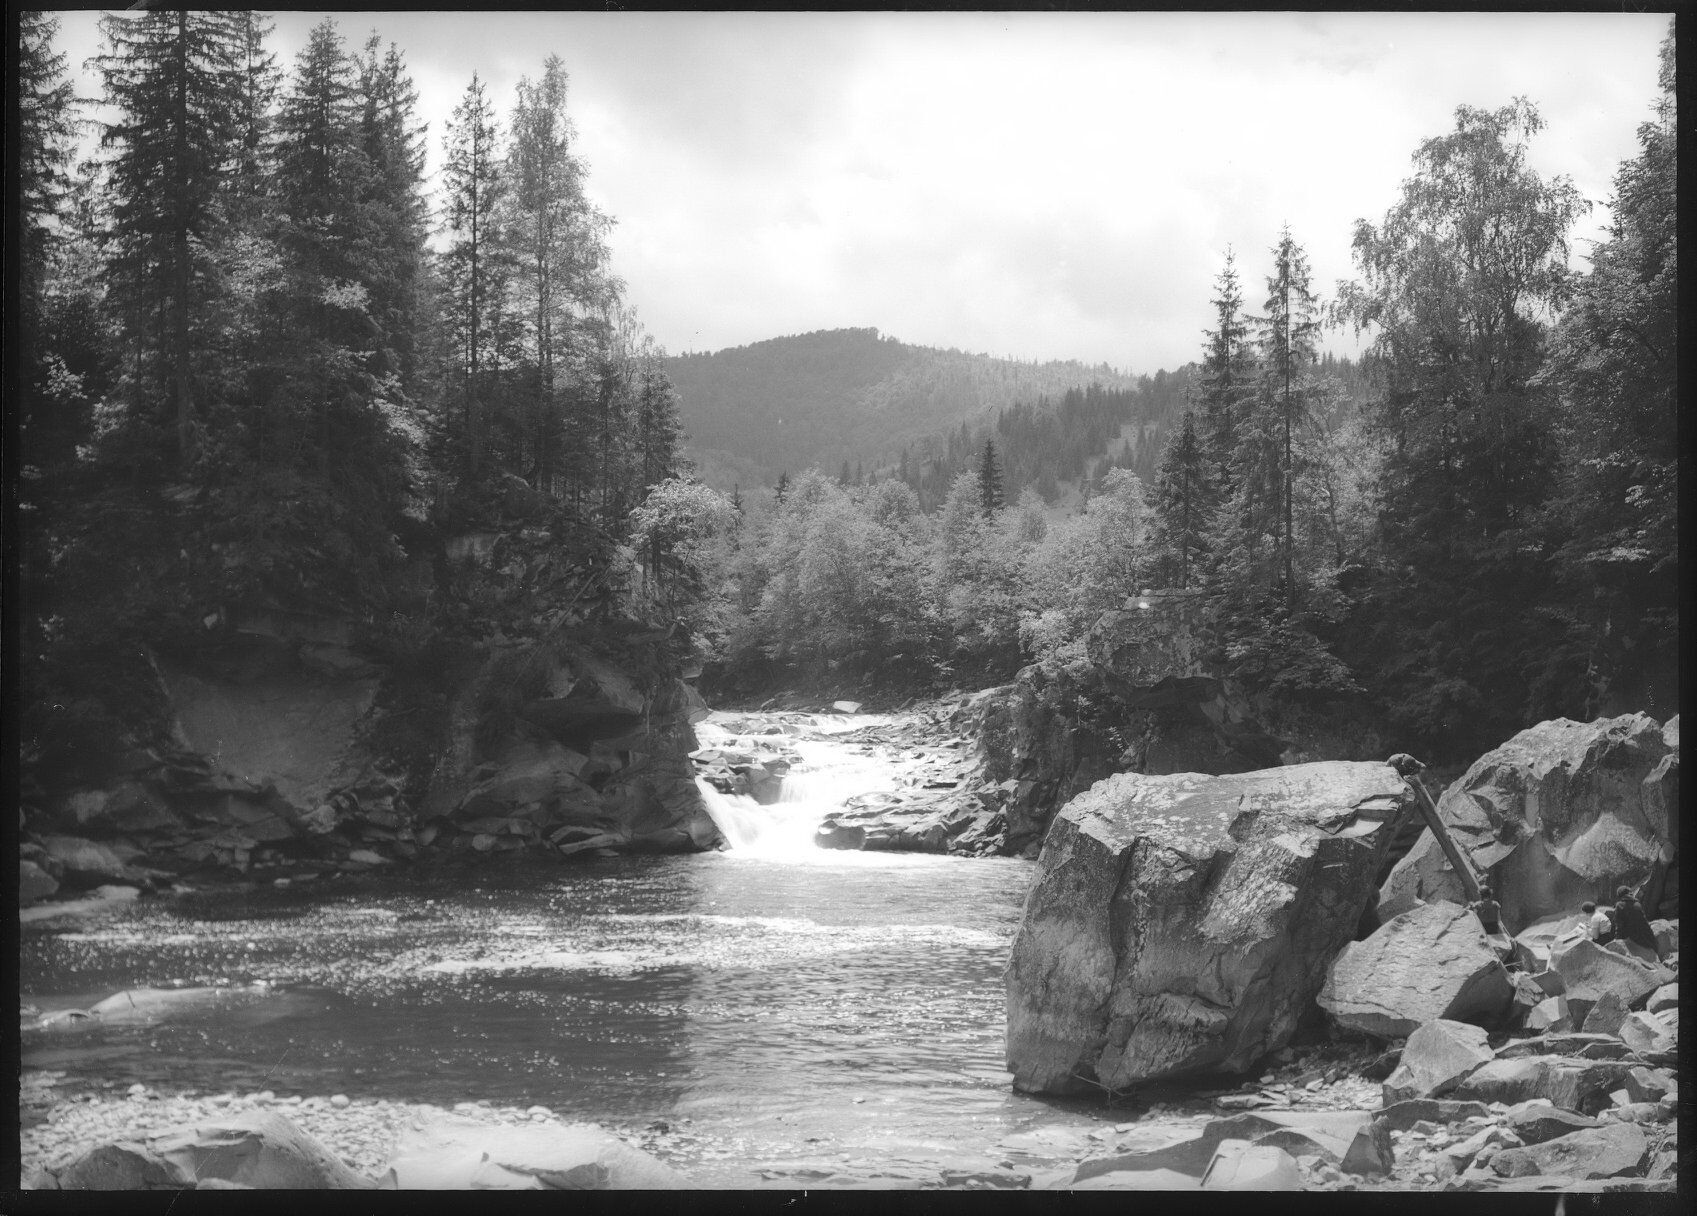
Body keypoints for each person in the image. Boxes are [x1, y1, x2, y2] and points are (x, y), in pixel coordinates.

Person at [1611, 885, 1659, 961]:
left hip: (1633, 938)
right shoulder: (1637, 903)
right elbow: (1644, 921)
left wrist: (1617, 940)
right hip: (1647, 937)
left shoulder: (1619, 905)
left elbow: (1619, 925)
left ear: (1620, 895)